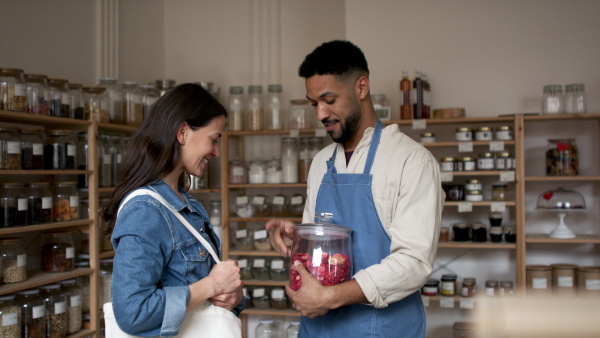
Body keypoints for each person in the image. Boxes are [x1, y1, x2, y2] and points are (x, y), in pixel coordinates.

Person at [266, 40, 444, 337]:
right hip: (319, 328)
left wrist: (331, 297)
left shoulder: (412, 161)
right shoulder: (321, 162)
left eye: (329, 99)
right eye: (314, 104)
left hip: (382, 329)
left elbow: (414, 263)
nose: (321, 113)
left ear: (361, 88)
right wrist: (299, 240)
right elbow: (321, 255)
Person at [101, 83, 244, 336]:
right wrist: (211, 286)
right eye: (213, 139)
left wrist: (230, 297)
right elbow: (133, 312)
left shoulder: (189, 207)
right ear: (182, 132)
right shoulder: (145, 211)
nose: (216, 152)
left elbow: (199, 284)